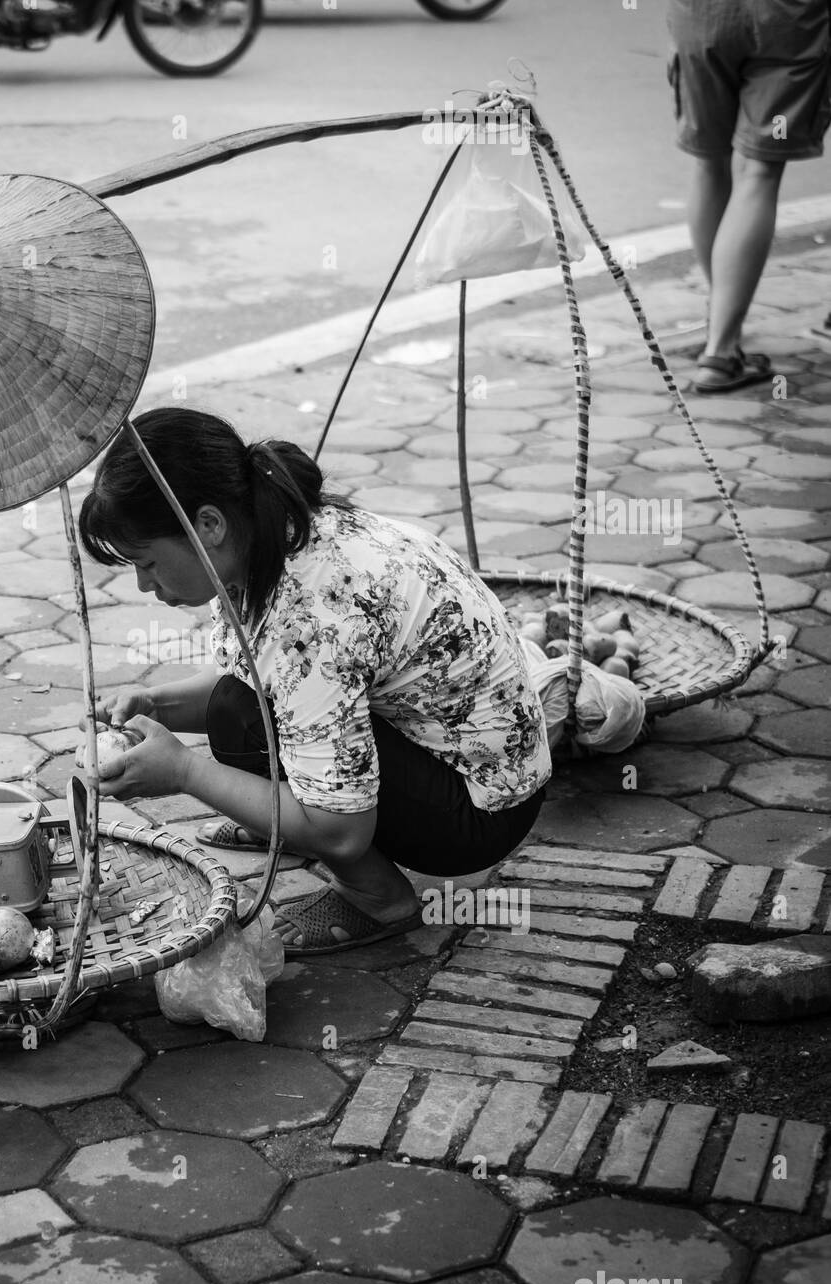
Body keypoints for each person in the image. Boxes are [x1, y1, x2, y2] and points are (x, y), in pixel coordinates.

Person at [76, 408, 551, 956]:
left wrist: (183, 771)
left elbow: (340, 829)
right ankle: (279, 811)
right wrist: (156, 706)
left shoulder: (309, 613)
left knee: (244, 724)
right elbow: (252, 679)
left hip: (477, 812)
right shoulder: (279, 535)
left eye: (148, 562)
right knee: (238, 706)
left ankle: (376, 895)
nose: (143, 584)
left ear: (208, 525)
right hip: (461, 760)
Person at [667, 0, 831, 393]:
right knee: (759, 172)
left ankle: (722, 330)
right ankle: (721, 350)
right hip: (787, 18)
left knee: (708, 160)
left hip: (702, 14)